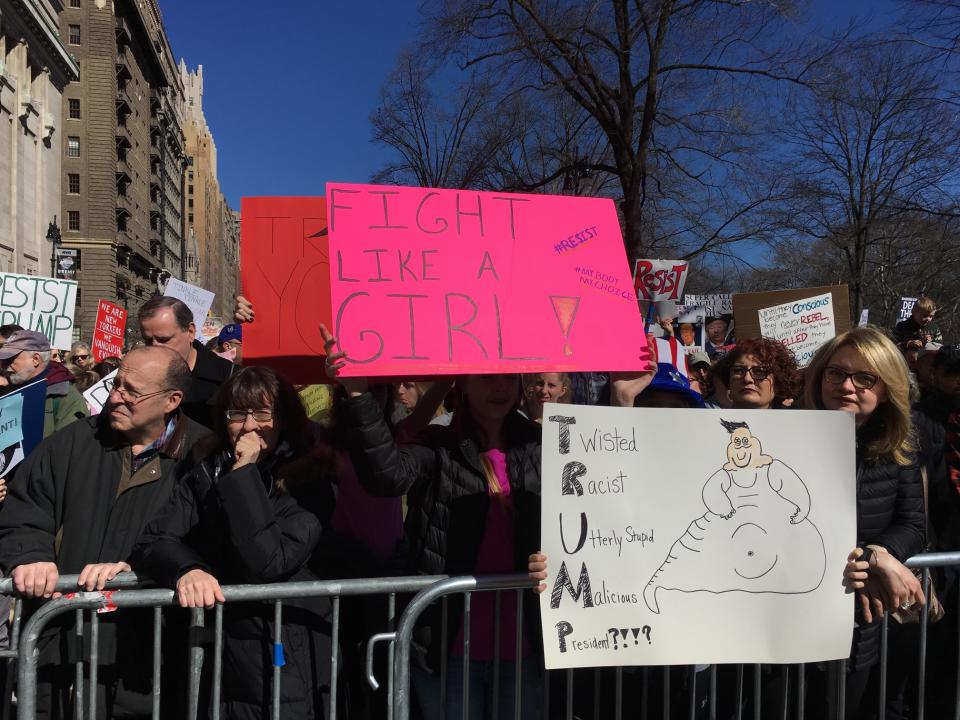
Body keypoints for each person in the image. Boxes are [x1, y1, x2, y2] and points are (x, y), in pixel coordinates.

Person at [321, 325, 543, 720]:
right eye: (488, 376)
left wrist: (623, 398)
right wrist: (357, 394)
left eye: (509, 376)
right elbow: (386, 477)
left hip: (526, 642)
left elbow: (585, 518)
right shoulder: (437, 444)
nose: (500, 388)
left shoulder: (542, 444)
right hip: (448, 644)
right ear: (464, 381)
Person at [0, 346, 208, 719]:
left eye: (132, 392)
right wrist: (31, 554)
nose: (116, 397)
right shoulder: (72, 443)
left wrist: (157, 569)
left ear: (171, 400)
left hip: (150, 658)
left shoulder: (203, 456)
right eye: (116, 385)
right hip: (62, 646)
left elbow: (211, 540)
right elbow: (26, 508)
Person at [132, 366, 337, 719]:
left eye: (261, 413)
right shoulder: (206, 472)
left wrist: (243, 473)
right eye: (237, 414)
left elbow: (267, 561)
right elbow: (154, 539)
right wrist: (187, 568)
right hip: (219, 650)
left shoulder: (310, 480)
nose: (248, 426)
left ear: (283, 419)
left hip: (283, 647)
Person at [804, 327, 926, 718]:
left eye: (865, 378)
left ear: (886, 388)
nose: (847, 386)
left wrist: (879, 554)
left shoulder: (898, 448)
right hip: (783, 627)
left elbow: (913, 525)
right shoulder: (780, 436)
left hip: (856, 626)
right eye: (836, 373)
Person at [138, 295, 235, 428]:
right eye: (148, 341)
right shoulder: (135, 378)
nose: (155, 349)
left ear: (190, 332)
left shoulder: (230, 377)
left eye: (164, 340)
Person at [0, 330, 88, 437]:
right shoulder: (6, 388)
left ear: (35, 359)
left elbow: (69, 446)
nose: (3, 365)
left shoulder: (66, 398)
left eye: (9, 359)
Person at [720, 337, 802, 410]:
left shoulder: (794, 425)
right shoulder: (710, 424)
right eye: (738, 371)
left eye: (759, 372)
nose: (747, 379)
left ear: (778, 382)